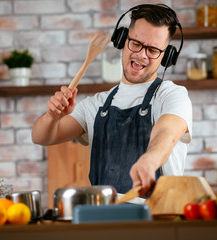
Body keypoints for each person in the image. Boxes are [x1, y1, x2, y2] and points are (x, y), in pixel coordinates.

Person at [32, 4, 192, 196]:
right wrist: (52, 116)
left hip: (157, 220)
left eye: (152, 49)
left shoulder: (172, 95)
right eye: (136, 43)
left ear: (166, 56)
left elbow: (167, 132)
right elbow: (41, 137)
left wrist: (150, 159)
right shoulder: (96, 105)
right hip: (105, 219)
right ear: (122, 40)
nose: (142, 55)